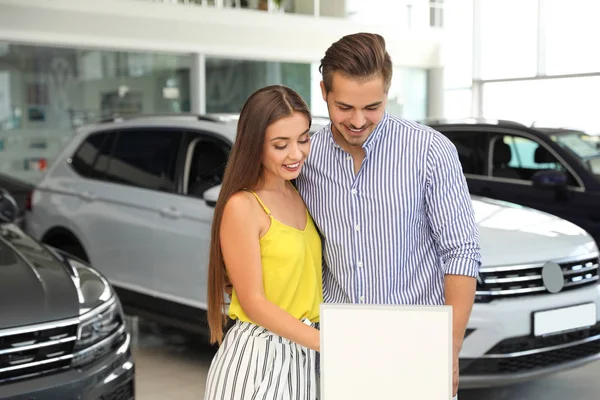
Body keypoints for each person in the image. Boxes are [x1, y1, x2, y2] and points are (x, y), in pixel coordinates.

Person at [295, 32, 481, 399]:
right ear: (323, 92)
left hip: (419, 345)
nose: (359, 121)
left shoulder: (429, 150)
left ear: (388, 90)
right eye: (345, 107)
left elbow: (461, 250)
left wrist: (449, 348)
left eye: (373, 106)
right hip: (339, 347)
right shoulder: (305, 159)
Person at [205, 85, 323, 400]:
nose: (296, 154)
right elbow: (254, 302)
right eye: (281, 145)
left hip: (304, 356)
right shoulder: (243, 206)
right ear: (255, 145)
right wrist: (326, 342)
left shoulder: (300, 194)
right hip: (258, 357)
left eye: (303, 139)